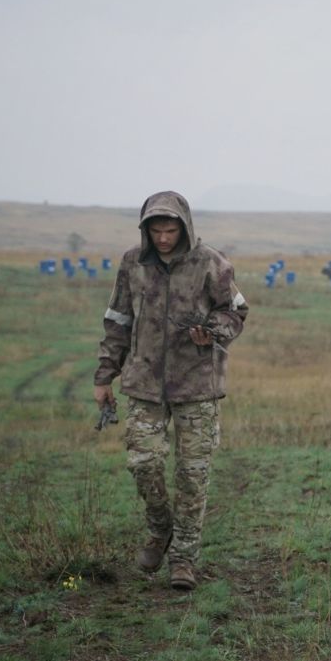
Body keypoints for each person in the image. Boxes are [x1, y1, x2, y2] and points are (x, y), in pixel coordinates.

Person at [94, 191, 248, 591]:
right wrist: (103, 376)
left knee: (192, 475)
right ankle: (160, 527)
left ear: (185, 227)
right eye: (156, 230)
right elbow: (117, 320)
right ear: (145, 230)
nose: (163, 238)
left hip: (197, 384)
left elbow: (235, 312)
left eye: (171, 229)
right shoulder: (132, 263)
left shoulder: (211, 263)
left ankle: (183, 558)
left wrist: (211, 332)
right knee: (143, 463)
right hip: (143, 382)